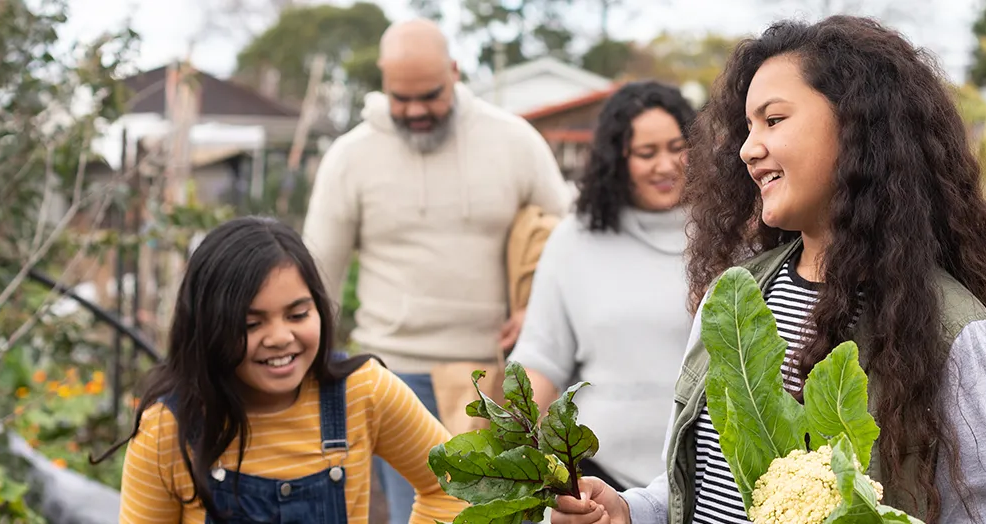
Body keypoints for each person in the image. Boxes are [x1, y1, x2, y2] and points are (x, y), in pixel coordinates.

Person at [550, 16, 986, 524]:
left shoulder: (952, 330)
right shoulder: (734, 299)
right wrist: (625, 510)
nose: (748, 148)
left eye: (773, 120)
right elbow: (693, 493)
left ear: (859, 127)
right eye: (747, 127)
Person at [301, 18, 571, 521]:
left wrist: (537, 312)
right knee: (424, 515)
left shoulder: (515, 141)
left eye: (429, 94)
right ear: (383, 83)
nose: (416, 110)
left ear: (454, 71)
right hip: (393, 376)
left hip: (496, 379)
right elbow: (318, 278)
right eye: (401, 98)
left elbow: (569, 241)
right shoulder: (350, 157)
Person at [106, 217, 465, 524]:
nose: (280, 337)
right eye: (250, 323)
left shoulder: (363, 392)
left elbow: (455, 486)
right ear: (208, 328)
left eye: (297, 315)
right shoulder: (168, 426)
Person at [509, 81, 697, 491]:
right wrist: (507, 458)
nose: (665, 165)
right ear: (616, 160)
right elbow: (540, 360)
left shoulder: (735, 235)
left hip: (713, 482)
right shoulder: (574, 240)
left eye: (676, 146)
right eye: (646, 153)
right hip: (598, 480)